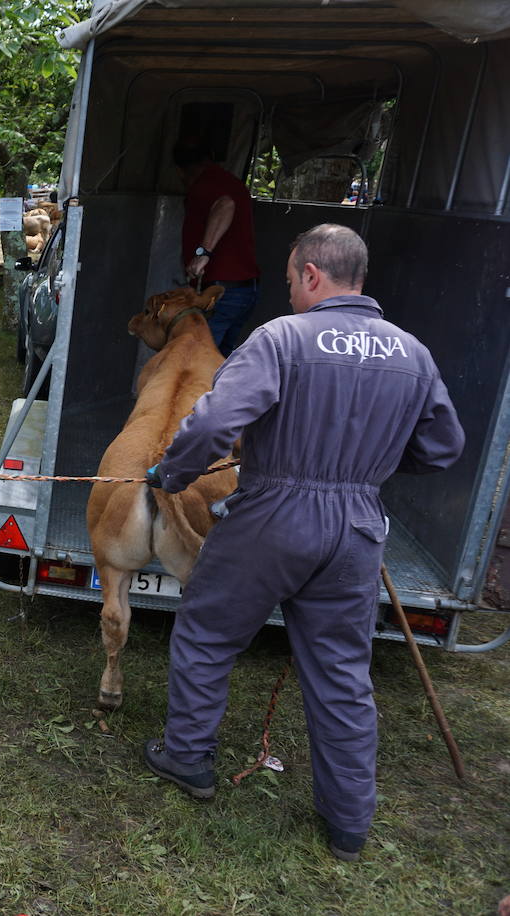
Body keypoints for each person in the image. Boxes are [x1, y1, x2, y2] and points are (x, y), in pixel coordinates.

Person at [141, 224, 464, 862]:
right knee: (343, 672)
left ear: (312, 274)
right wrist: (361, 475)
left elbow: (213, 423)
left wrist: (170, 474)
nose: (288, 292)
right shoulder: (413, 353)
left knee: (207, 633)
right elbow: (441, 448)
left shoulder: (281, 339)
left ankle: (187, 759)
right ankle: (348, 823)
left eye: (290, 279)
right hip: (356, 529)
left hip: (272, 514)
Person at [174, 140, 260, 355]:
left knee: (195, 360)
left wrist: (203, 253)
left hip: (221, 292)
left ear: (182, 171)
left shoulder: (206, 185)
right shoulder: (230, 181)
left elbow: (225, 205)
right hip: (244, 290)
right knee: (218, 361)